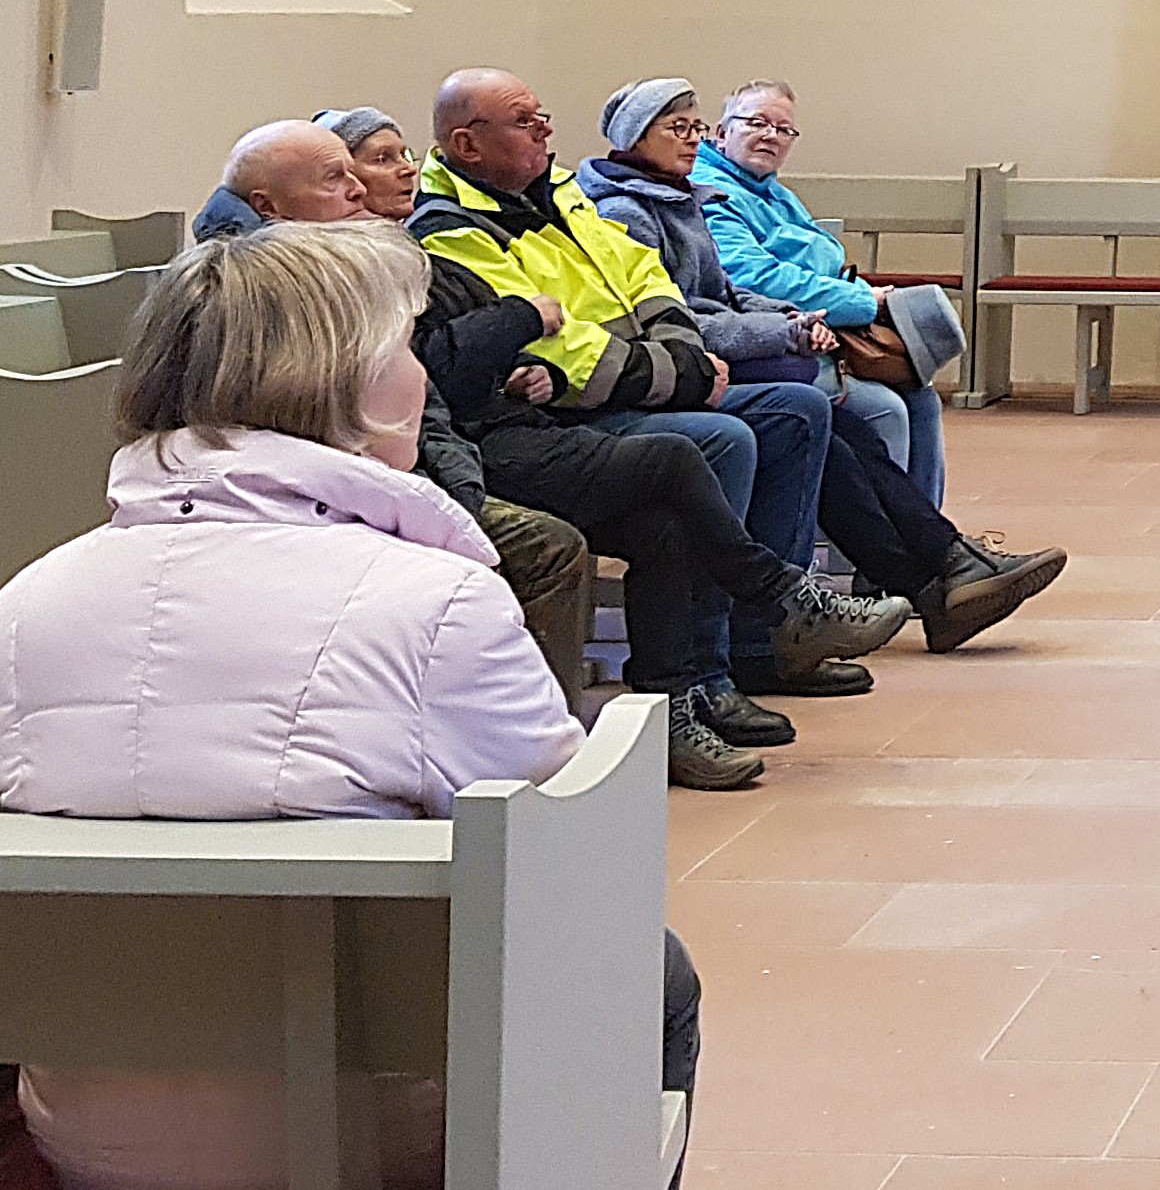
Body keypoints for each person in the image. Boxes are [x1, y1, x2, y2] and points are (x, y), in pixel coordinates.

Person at [0, 219, 699, 1190]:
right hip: (362, 1125)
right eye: (408, 348)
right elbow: (565, 874)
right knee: (653, 968)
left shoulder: (28, 599)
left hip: (90, 1125)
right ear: (359, 386)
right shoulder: (438, 602)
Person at [410, 69, 904, 705]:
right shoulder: (453, 230)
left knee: (799, 411)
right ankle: (712, 672)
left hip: (641, 379)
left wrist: (684, 355)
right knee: (720, 441)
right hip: (565, 409)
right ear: (468, 144)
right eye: (524, 121)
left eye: (543, 114)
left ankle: (773, 641)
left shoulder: (560, 194)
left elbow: (649, 281)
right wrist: (687, 373)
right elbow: (552, 344)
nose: (546, 129)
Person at [579, 79, 1065, 650]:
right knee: (822, 412)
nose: (693, 139)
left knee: (875, 412)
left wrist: (789, 317)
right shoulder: (631, 212)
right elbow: (675, 316)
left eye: (695, 127)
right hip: (675, 373)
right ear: (637, 137)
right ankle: (917, 582)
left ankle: (942, 570)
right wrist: (790, 326)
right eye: (679, 129)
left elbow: (732, 292)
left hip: (733, 350)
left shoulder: (683, 194)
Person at [190, 119, 595, 708]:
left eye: (358, 174)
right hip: (317, 498)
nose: (359, 190)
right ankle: (519, 743)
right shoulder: (262, 296)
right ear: (268, 206)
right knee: (548, 544)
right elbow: (326, 440)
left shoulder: (343, 262)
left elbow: (421, 404)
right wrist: (449, 505)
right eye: (337, 178)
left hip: (392, 473)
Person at [696, 78, 947, 507]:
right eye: (757, 122)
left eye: (783, 129)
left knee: (921, 398)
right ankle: (881, 564)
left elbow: (822, 266)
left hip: (819, 332)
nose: (771, 136)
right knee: (886, 407)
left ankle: (936, 546)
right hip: (760, 343)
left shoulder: (774, 193)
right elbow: (754, 278)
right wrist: (866, 302)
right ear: (722, 132)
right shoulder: (711, 191)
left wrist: (864, 293)